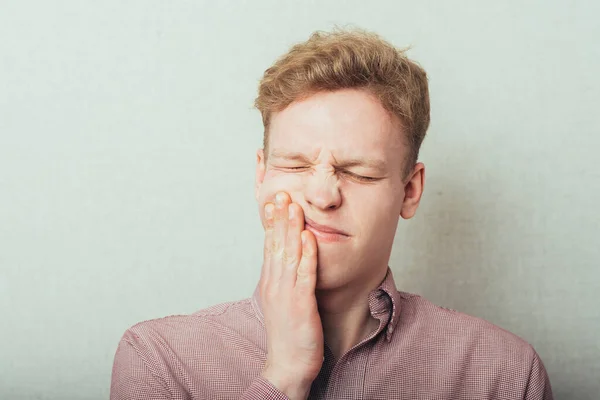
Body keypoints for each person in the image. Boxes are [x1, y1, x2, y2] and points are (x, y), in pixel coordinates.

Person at [110, 28, 553, 400]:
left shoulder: (505, 374)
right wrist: (283, 375)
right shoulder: (158, 360)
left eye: (358, 173)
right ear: (261, 176)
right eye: (295, 165)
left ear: (410, 191)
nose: (322, 196)